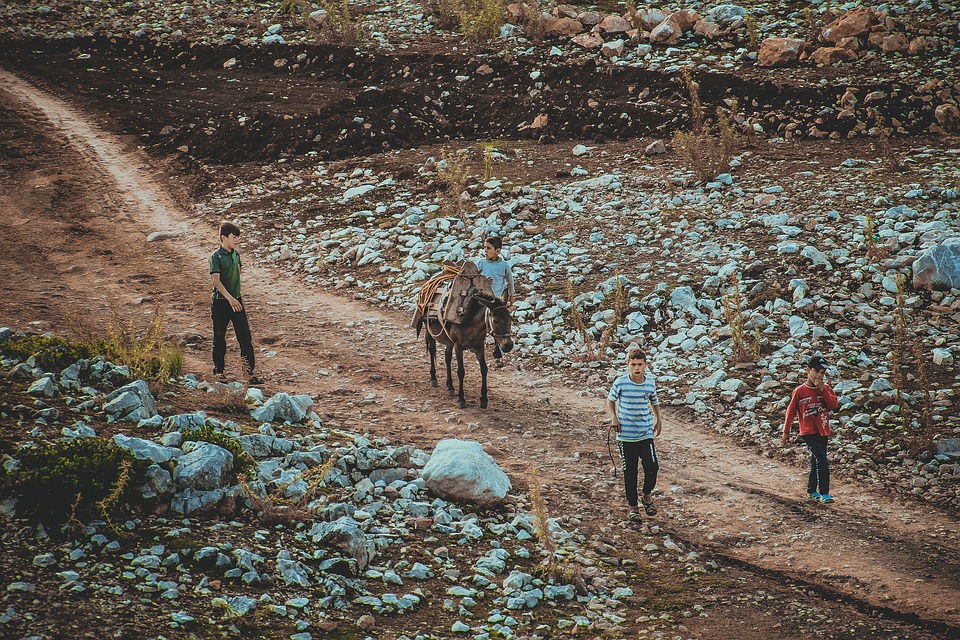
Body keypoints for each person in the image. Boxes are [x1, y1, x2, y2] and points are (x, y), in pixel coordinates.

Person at [606, 348, 663, 522]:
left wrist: (658, 419)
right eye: (633, 364)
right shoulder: (621, 382)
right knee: (630, 472)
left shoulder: (650, 383)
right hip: (625, 435)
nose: (637, 368)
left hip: (645, 432)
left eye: (640, 364)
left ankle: (646, 495)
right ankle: (633, 507)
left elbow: (654, 401)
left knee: (652, 466)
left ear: (645, 365)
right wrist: (614, 417)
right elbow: (610, 400)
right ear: (627, 364)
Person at [782, 355, 839, 504]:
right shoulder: (800, 391)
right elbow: (791, 411)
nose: (820, 375)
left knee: (816, 460)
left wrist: (823, 390)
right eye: (817, 371)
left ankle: (811, 490)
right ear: (808, 370)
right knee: (822, 460)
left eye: (823, 372)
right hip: (808, 431)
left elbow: (833, 405)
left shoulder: (825, 389)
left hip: (823, 430)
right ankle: (825, 493)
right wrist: (786, 432)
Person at [210, 220, 260, 384]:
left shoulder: (236, 254)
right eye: (234, 237)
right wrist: (230, 298)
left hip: (236, 301)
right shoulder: (215, 256)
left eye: (238, 237)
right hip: (221, 303)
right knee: (219, 338)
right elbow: (216, 281)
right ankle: (218, 372)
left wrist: (235, 296)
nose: (237, 240)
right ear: (224, 238)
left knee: (245, 338)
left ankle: (249, 374)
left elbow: (238, 271)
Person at [474, 236, 514, 365]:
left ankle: (497, 346)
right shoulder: (481, 263)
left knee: (499, 323)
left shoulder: (504, 265)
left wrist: (511, 295)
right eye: (485, 248)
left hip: (496, 300)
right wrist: (483, 281)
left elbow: (510, 281)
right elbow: (474, 279)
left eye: (488, 248)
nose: (485, 251)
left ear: (497, 251)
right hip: (483, 299)